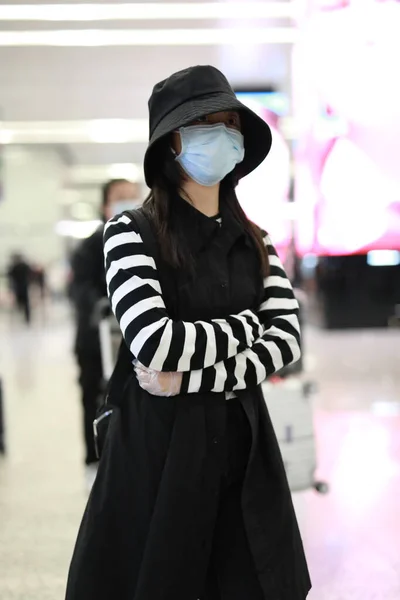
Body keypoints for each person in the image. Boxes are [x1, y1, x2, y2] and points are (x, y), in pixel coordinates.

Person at [66, 65, 311, 600]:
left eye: (230, 124)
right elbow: (156, 342)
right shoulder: (130, 234)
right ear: (170, 144)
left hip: (244, 452)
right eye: (204, 124)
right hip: (159, 456)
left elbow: (288, 339)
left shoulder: (257, 240)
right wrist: (249, 326)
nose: (221, 135)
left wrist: (189, 380)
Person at [70, 178, 139, 488]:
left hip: (134, 339)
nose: (128, 202)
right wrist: (98, 304)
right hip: (95, 339)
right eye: (120, 198)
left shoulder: (145, 240)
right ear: (105, 206)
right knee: (93, 397)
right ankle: (92, 458)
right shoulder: (90, 246)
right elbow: (79, 287)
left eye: (132, 197)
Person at [7, 253, 32, 324]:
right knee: (25, 302)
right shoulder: (23, 266)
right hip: (23, 286)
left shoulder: (14, 266)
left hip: (19, 286)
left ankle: (25, 316)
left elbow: (10, 275)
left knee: (22, 301)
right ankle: (26, 317)